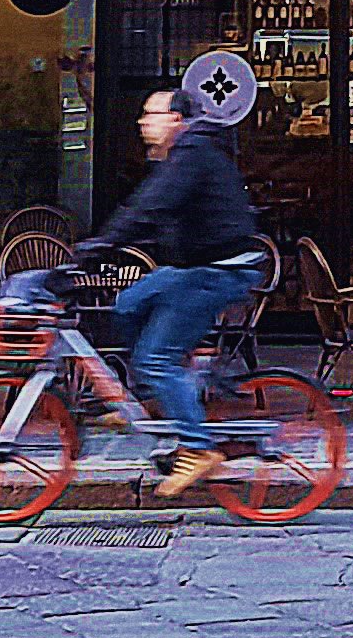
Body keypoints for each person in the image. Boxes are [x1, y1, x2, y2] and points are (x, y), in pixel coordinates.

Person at [73, 85, 264, 499]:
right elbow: (150, 207)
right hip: (193, 265)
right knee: (128, 304)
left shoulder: (192, 154)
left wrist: (97, 247)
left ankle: (197, 449)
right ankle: (155, 398)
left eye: (151, 114)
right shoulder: (179, 154)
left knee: (155, 357)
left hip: (219, 269)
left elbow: (150, 207)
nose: (143, 122)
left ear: (176, 120)